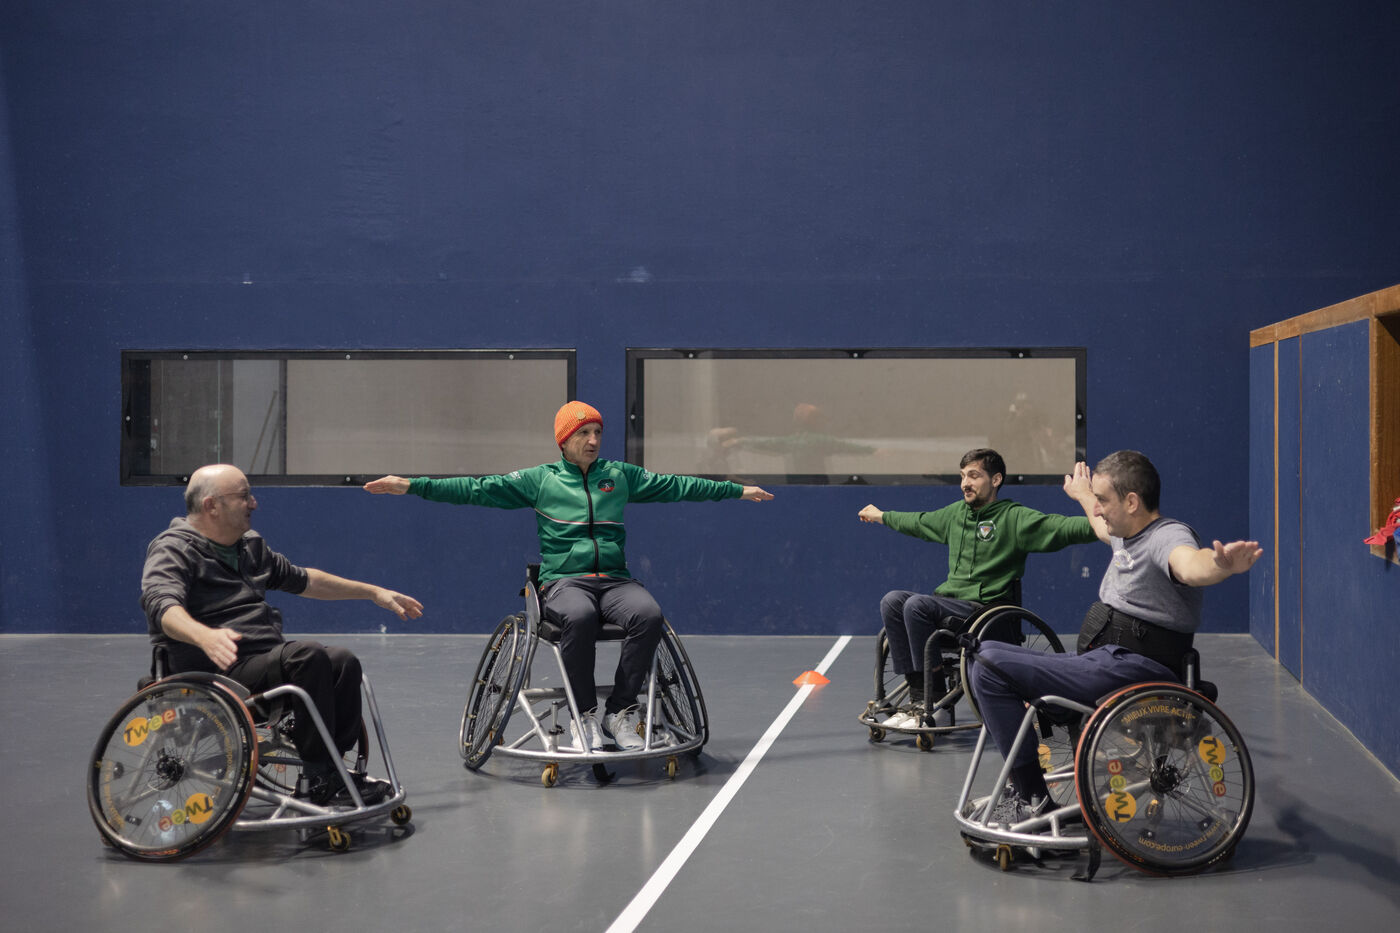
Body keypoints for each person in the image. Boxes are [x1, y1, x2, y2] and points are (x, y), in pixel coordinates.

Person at [364, 400, 773, 752]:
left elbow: (677, 485)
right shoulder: (539, 480)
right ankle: (584, 716)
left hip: (615, 580)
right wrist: (411, 485)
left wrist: (736, 490)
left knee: (648, 615)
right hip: (564, 582)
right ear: (564, 440)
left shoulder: (620, 475)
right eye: (584, 433)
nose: (593, 440)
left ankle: (620, 712)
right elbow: (476, 488)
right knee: (579, 616)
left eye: (598, 432)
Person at [966, 450, 1263, 823]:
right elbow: (1099, 526)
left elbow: (1190, 565)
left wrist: (1220, 565)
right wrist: (1083, 494)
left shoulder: (1167, 536)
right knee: (984, 654)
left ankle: (1032, 799)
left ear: (1132, 502)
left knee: (990, 663)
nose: (1099, 509)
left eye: (1104, 500)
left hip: (1134, 669)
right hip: (1106, 658)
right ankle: (1027, 789)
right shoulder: (1126, 531)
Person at [140, 464, 425, 806]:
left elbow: (306, 580)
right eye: (244, 496)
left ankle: (333, 769)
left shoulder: (249, 546)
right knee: (306, 656)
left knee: (343, 661)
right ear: (211, 505)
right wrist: (203, 636)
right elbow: (162, 606)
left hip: (261, 664)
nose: (253, 503)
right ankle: (319, 776)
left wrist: (373, 592)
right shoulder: (173, 549)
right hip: (213, 673)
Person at [858, 448, 1099, 728]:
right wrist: (882, 515)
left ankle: (937, 703)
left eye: (973, 476)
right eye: (962, 476)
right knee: (892, 601)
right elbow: (918, 521)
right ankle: (917, 696)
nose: (965, 483)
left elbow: (1066, 528)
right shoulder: (955, 514)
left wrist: (1104, 518)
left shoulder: (1014, 518)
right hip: (949, 604)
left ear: (995, 480)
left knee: (916, 606)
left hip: (985, 612)